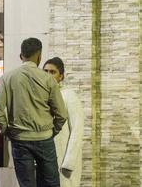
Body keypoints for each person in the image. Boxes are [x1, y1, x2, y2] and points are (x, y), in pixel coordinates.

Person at [0, 38, 68, 187]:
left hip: (20, 139)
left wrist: (7, 129)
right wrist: (53, 131)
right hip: (45, 137)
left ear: (21, 56)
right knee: (51, 183)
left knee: (27, 184)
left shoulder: (7, 78)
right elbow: (62, 114)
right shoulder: (48, 80)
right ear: (39, 56)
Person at [43, 57, 84, 187]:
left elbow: (77, 130)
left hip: (63, 160)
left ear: (61, 76)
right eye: (45, 71)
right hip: (46, 160)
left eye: (52, 72)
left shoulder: (69, 96)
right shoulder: (41, 97)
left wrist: (69, 163)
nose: (48, 75)